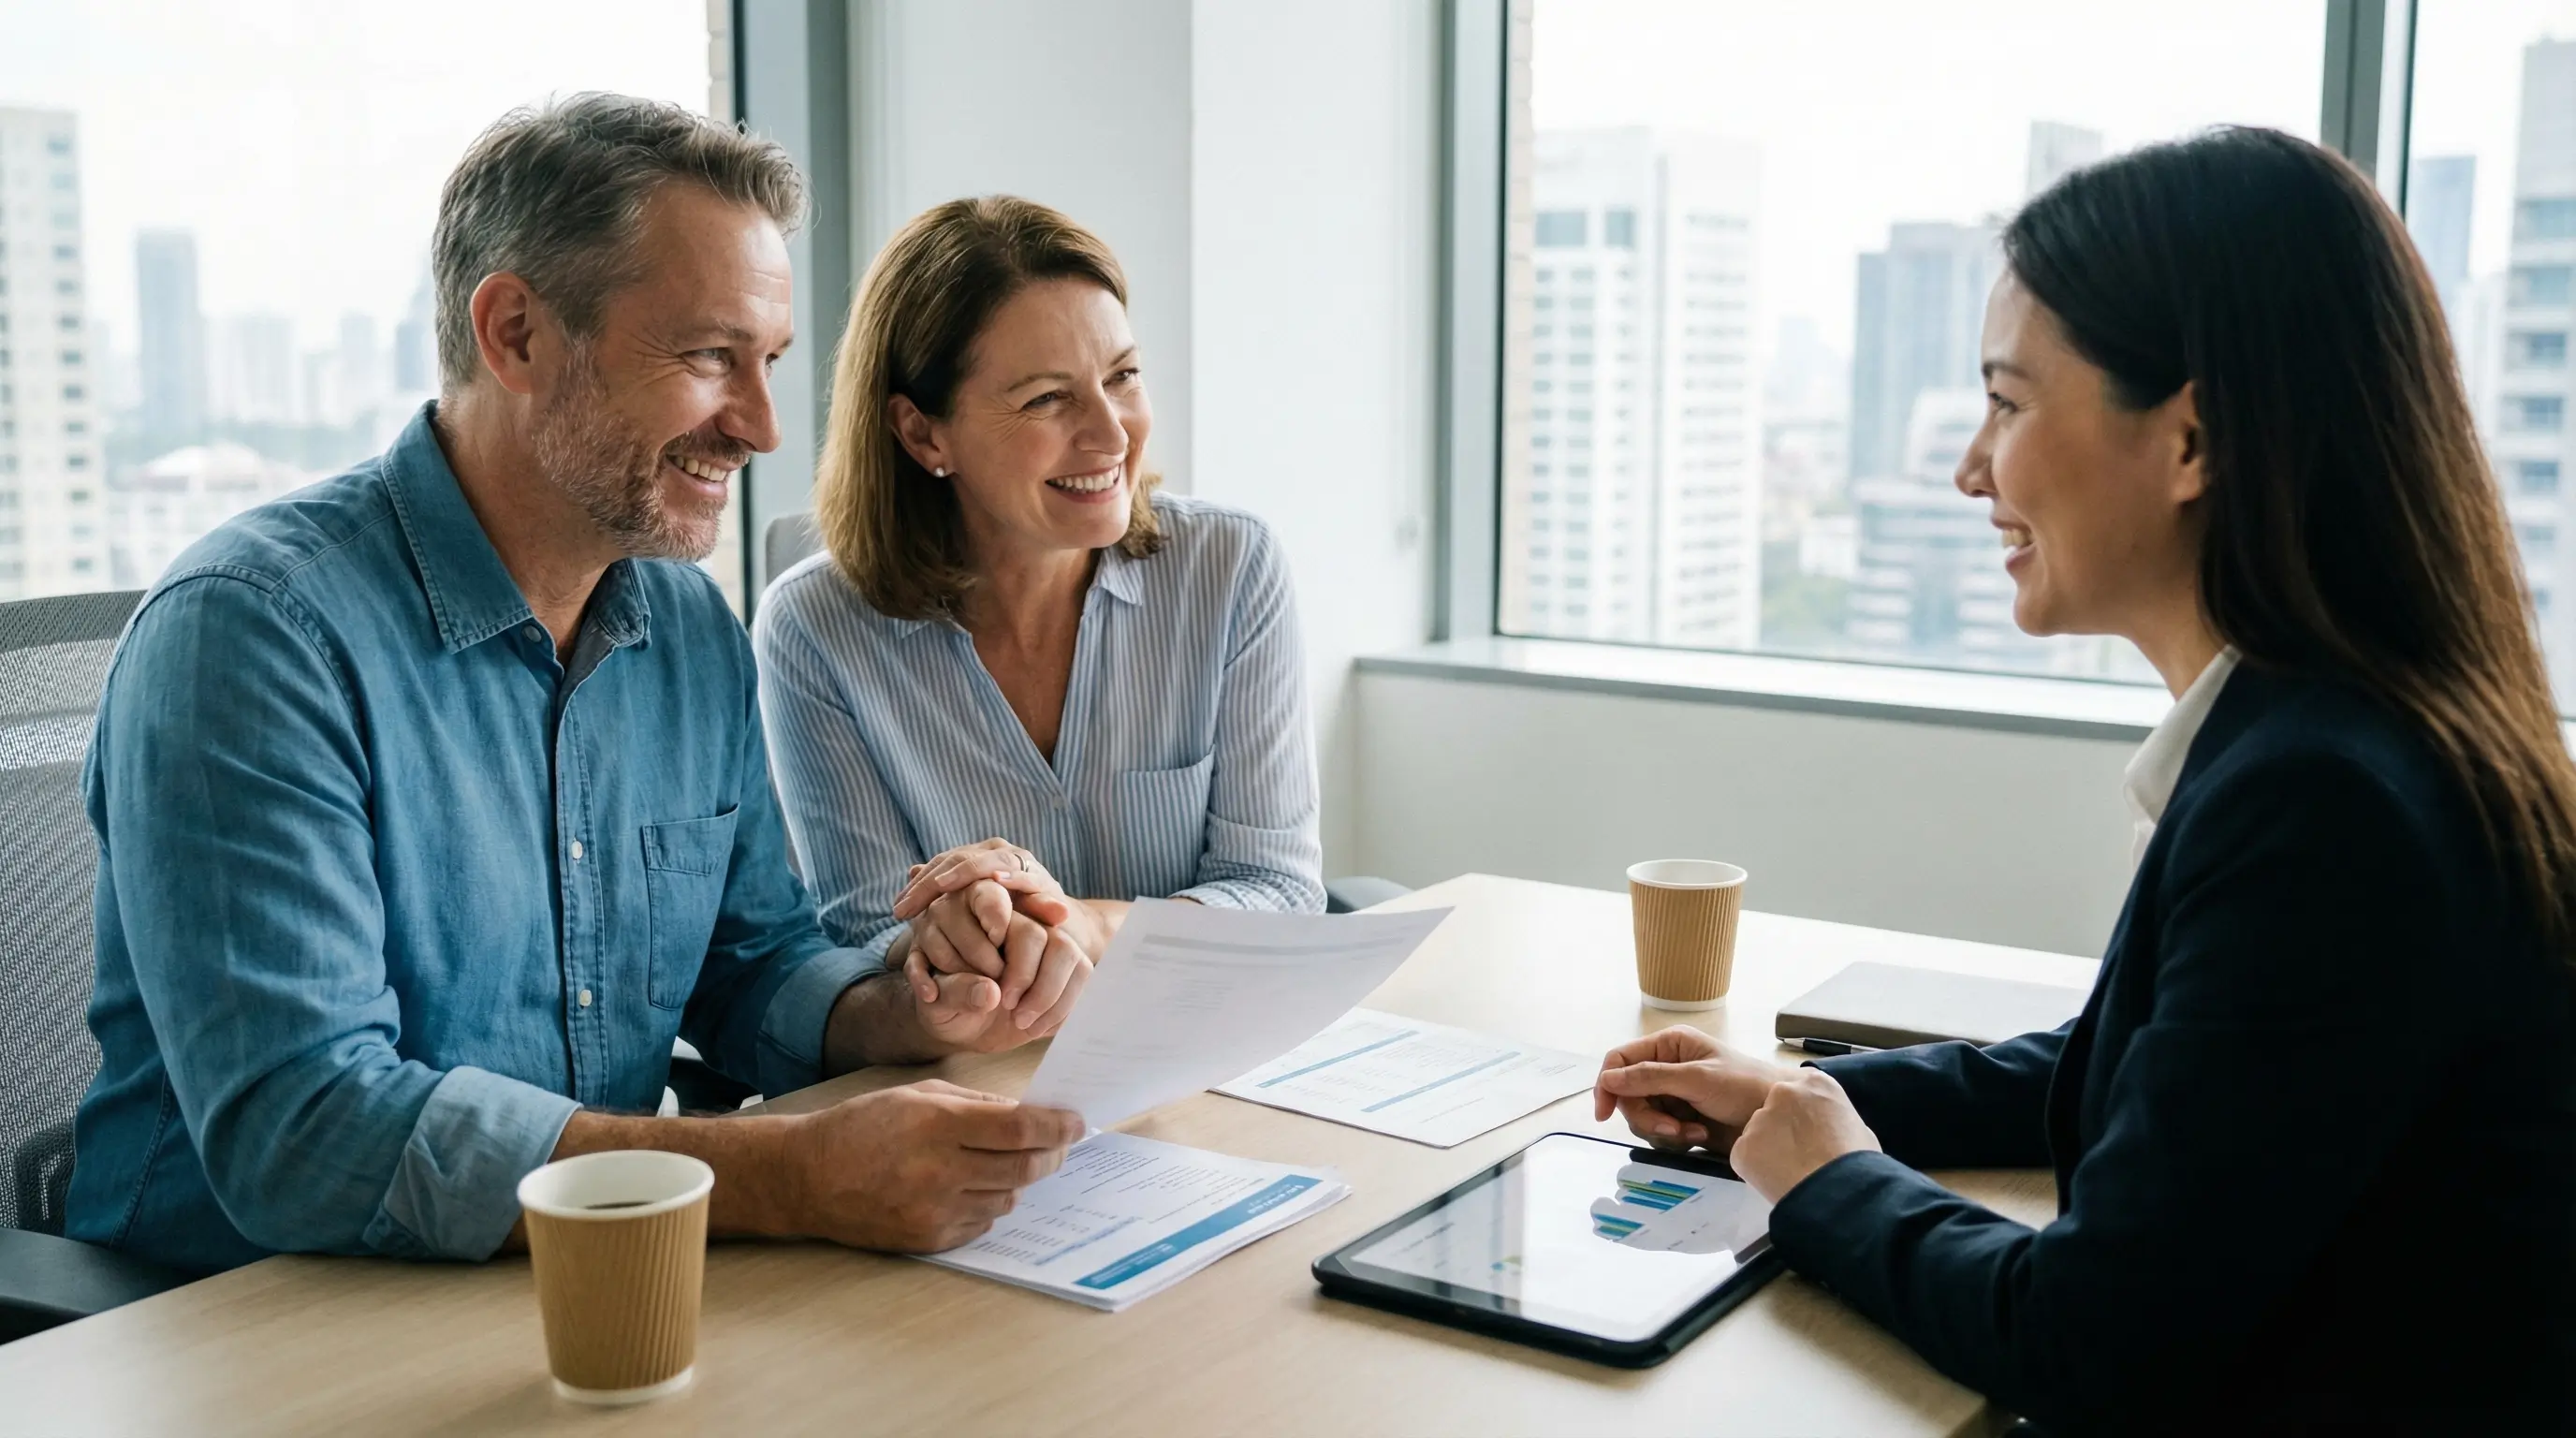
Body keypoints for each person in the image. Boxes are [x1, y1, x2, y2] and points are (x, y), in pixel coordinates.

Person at [1593, 128, 2576, 1432]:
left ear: (2192, 439)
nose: (1970, 468)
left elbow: (2084, 1340)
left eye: (2007, 404)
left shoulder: (2321, 809)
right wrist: (1808, 1103)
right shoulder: (2350, 739)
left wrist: (1827, 1182)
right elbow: (2172, 1073)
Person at [68, 95, 1081, 1276]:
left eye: (768, 363)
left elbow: (750, 964)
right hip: (241, 1314)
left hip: (576, 1282)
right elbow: (306, 1131)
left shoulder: (685, 627)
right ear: (515, 335)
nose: (761, 426)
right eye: (709, 357)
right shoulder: (253, 636)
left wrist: (914, 1006)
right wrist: (791, 1174)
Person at [754, 196, 1323, 1027]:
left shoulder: (1231, 568)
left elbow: (1277, 890)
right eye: (1048, 399)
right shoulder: (813, 629)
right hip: (979, 1060)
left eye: (1122, 377)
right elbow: (869, 928)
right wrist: (964, 935)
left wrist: (1085, 926)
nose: (1112, 435)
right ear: (924, 435)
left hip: (1201, 1043)